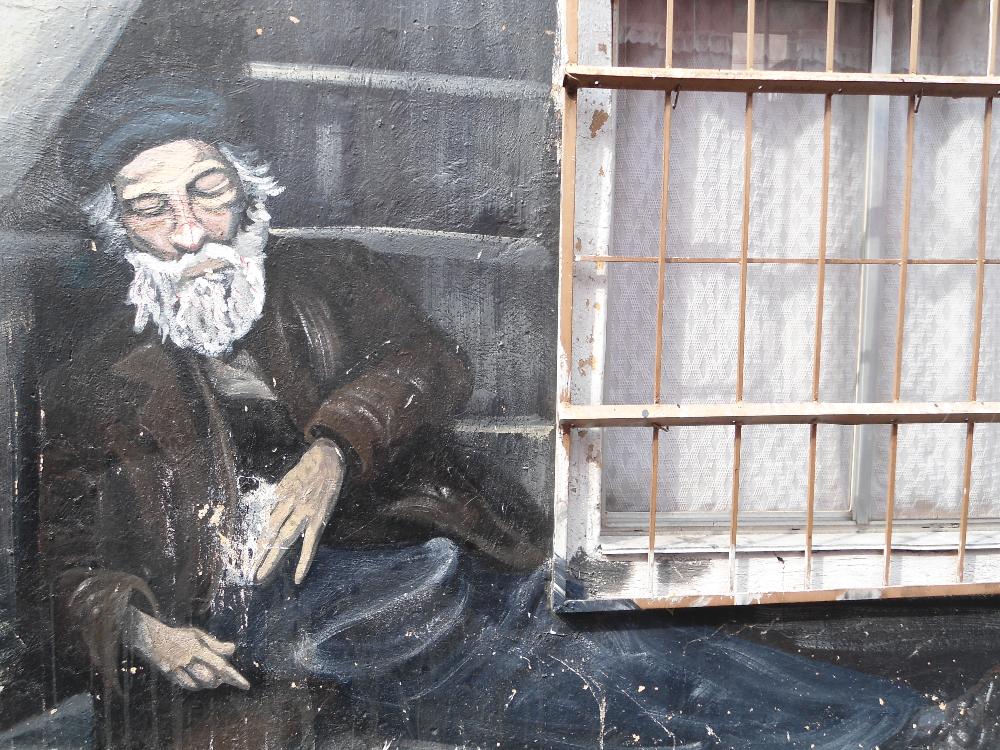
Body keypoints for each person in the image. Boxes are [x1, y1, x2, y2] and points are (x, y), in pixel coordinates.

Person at [34, 77, 996, 749]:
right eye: (152, 210)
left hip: (422, 552)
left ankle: (898, 719)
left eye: (209, 193)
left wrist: (333, 449)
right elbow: (68, 567)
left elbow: (431, 364)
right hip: (283, 618)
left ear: (248, 194)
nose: (191, 231)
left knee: (587, 631)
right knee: (548, 674)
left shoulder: (324, 276)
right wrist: (143, 633)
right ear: (119, 231)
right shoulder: (96, 377)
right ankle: (880, 730)